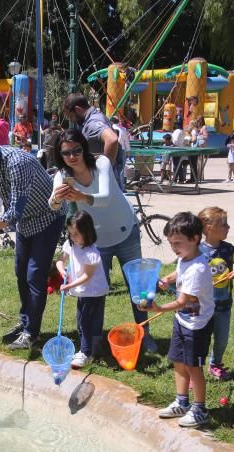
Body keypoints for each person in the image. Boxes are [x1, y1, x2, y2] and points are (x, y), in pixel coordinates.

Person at [48, 128, 155, 351]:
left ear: (84, 148)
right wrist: (57, 199)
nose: (72, 156)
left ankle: (145, 336)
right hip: (96, 241)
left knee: (138, 289)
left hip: (126, 231)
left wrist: (80, 196)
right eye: (66, 152)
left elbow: (105, 199)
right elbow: (52, 205)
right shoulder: (61, 175)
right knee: (92, 290)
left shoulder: (102, 163)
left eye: (77, 150)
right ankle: (92, 339)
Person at [0, 128, 64, 350]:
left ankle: (31, 333)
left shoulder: (17, 163)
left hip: (47, 219)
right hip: (25, 224)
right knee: (21, 273)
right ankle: (26, 322)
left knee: (35, 275)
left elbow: (12, 213)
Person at [138, 212, 214, 428]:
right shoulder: (185, 258)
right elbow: (179, 272)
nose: (174, 247)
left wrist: (157, 308)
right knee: (178, 362)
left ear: (196, 238)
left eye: (178, 243)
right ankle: (182, 402)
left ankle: (200, 409)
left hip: (196, 325)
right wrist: (168, 278)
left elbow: (182, 302)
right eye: (171, 243)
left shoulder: (199, 269)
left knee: (193, 367)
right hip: (183, 321)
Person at [195, 207, 234, 380]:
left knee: (221, 339)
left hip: (223, 306)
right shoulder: (197, 251)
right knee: (201, 340)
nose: (228, 227)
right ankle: (196, 370)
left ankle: (215, 364)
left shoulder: (228, 249)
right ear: (208, 229)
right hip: (202, 307)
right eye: (223, 224)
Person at [56, 212, 108, 369]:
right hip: (83, 290)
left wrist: (69, 286)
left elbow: (87, 276)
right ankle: (94, 345)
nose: (73, 237)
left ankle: (85, 352)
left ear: (88, 232)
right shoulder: (71, 244)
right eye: (71, 233)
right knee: (84, 320)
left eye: (76, 234)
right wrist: (62, 271)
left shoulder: (91, 252)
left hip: (93, 291)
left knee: (85, 321)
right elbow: (60, 260)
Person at [63, 93, 124, 187]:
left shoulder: (93, 123)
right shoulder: (97, 115)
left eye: (71, 116)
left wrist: (105, 169)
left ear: (78, 109)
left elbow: (112, 139)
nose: (71, 120)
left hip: (102, 181)